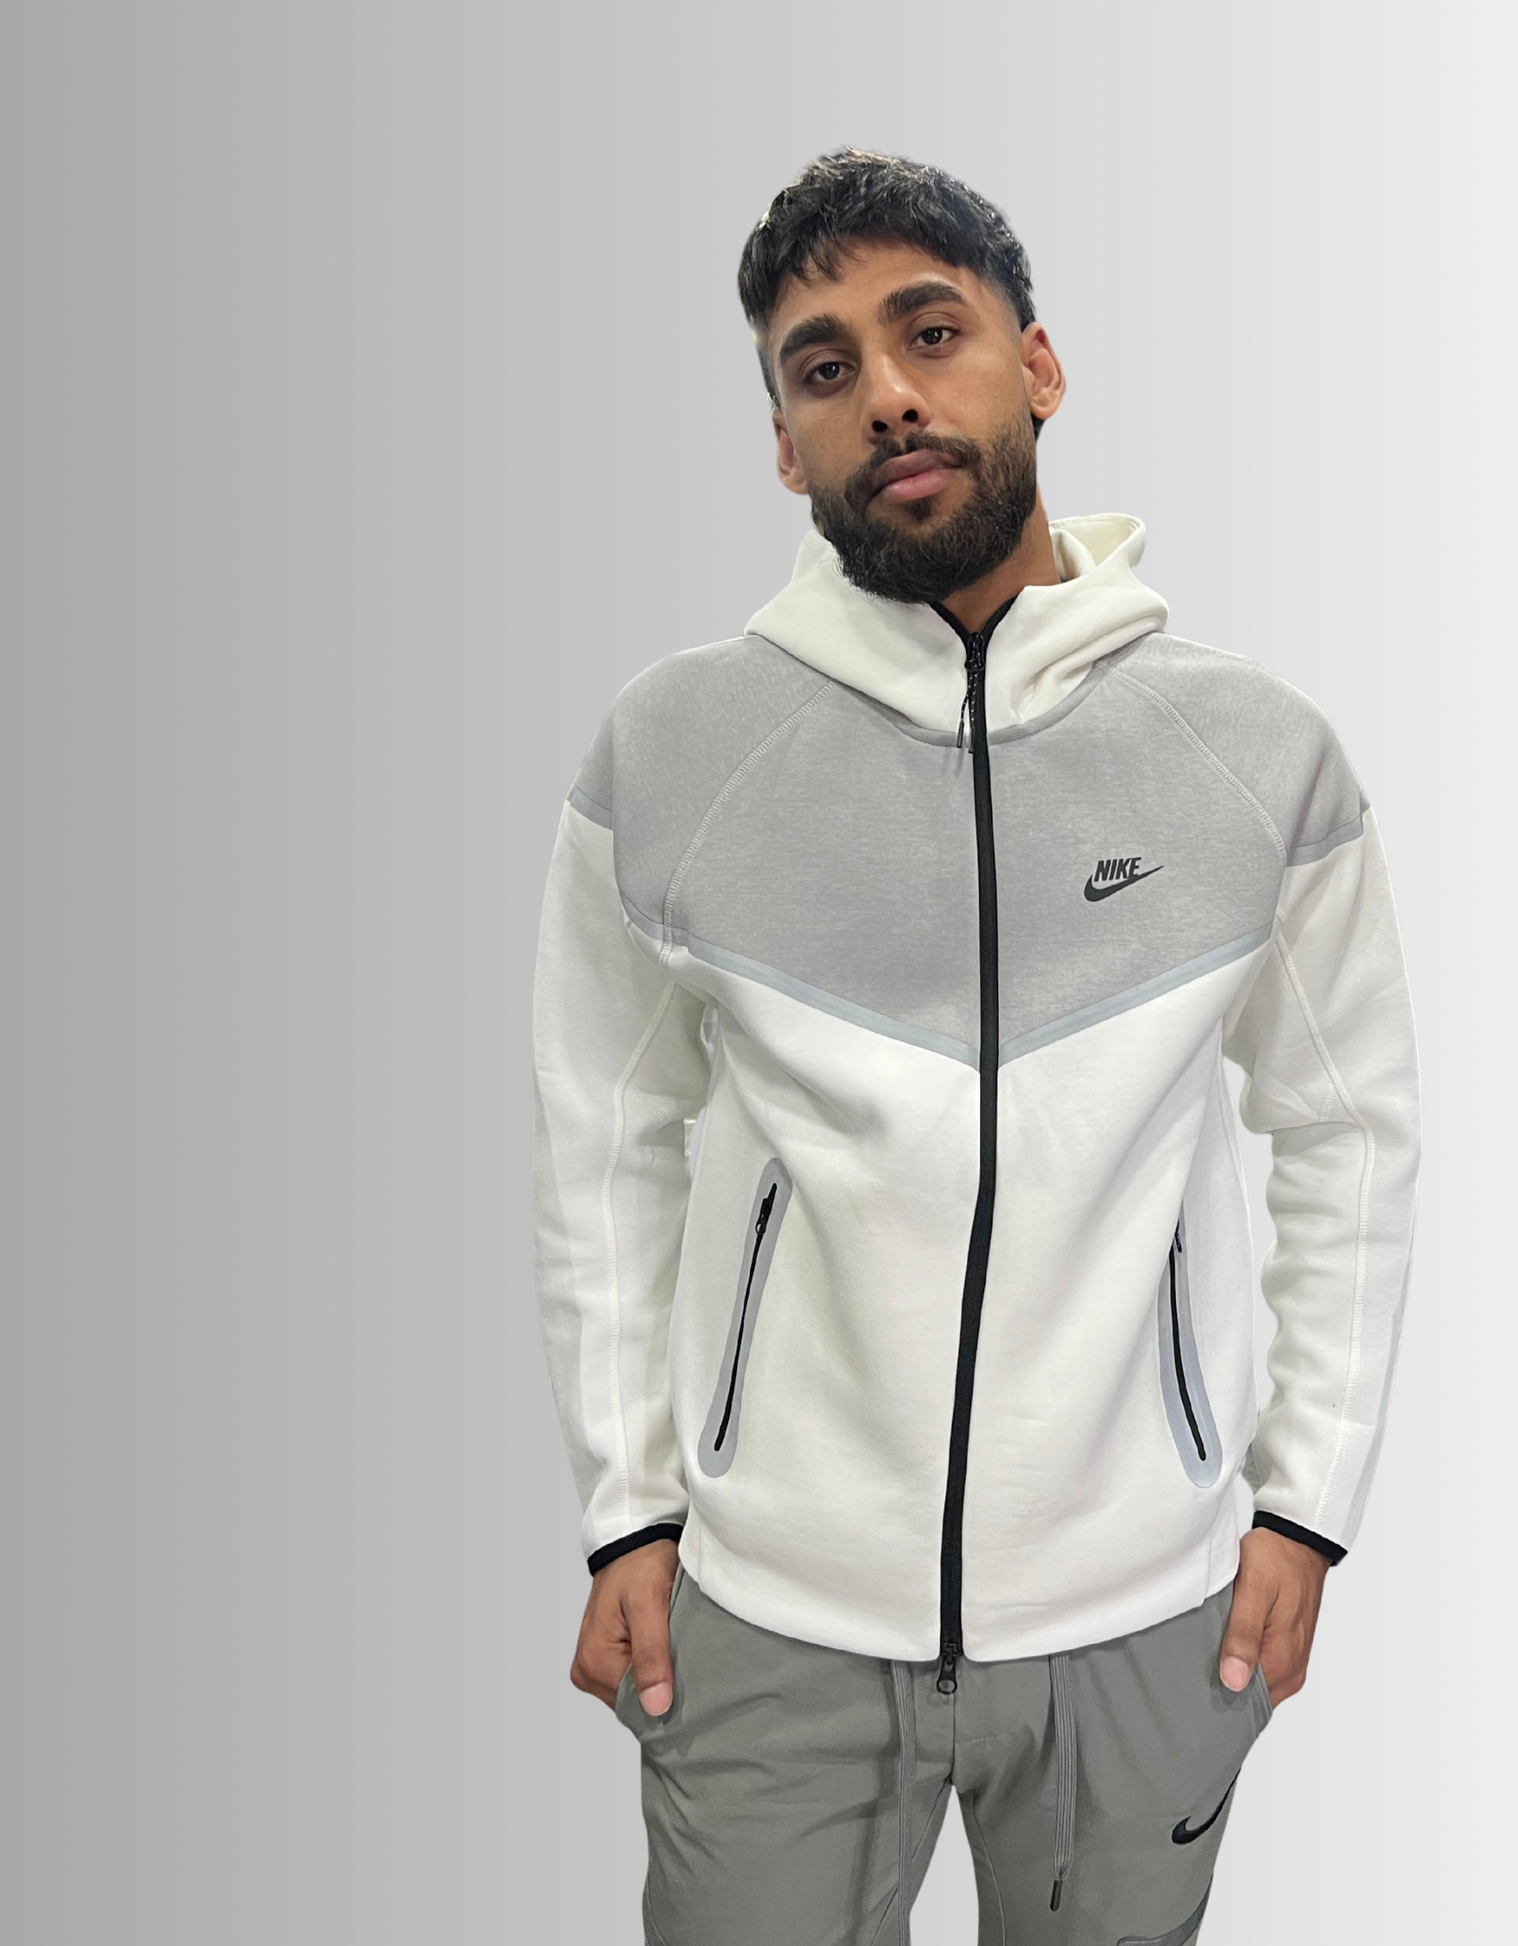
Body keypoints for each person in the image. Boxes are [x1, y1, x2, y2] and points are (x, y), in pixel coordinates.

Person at [530, 146, 1422, 1945]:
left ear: (1038, 362)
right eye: (823, 366)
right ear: (784, 445)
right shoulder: (673, 752)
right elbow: (600, 1146)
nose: (885, 393)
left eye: (928, 331)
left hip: (1144, 1620)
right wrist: (628, 1515)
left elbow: (1347, 1131)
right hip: (767, 1618)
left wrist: (1304, 1505)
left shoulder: (1254, 754)